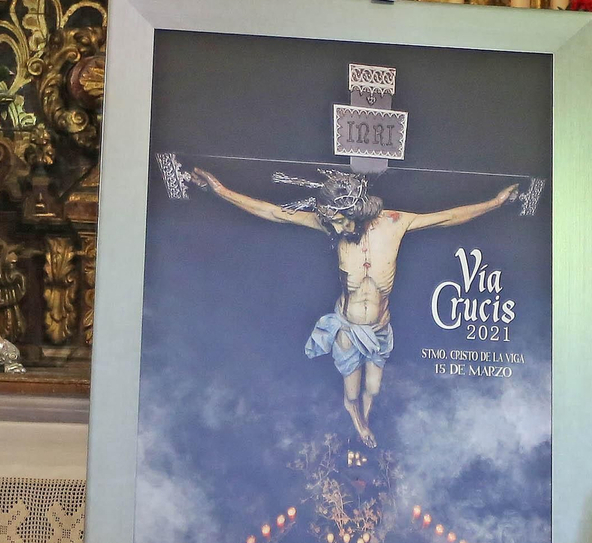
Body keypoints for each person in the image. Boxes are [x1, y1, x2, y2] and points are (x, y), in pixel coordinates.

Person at [193, 167, 516, 448]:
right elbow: (274, 212)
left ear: (357, 210)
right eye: (330, 222)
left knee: (372, 388)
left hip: (378, 329)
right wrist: (220, 191)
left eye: (339, 221)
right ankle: (355, 417)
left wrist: (496, 203)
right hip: (347, 327)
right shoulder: (329, 224)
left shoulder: (394, 223)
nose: (334, 229)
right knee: (351, 393)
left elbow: (449, 217)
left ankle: (367, 416)